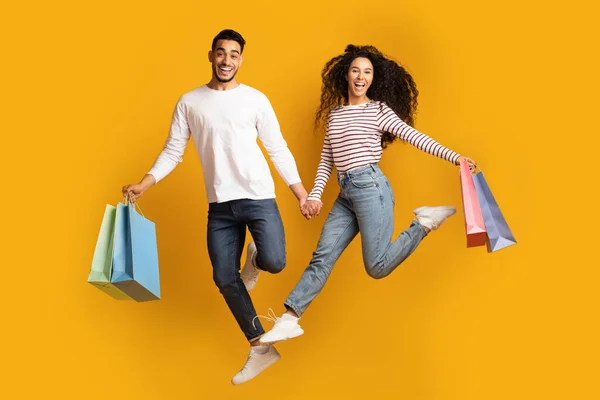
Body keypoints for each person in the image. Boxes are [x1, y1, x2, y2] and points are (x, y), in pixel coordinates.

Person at [122, 29, 311, 385]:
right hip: (220, 207)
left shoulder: (255, 99)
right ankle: (259, 348)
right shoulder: (190, 102)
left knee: (276, 261)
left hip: (258, 197)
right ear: (210, 55)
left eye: (234, 54)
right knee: (224, 277)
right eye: (221, 53)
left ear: (241, 59)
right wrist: (144, 183)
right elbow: (173, 151)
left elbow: (278, 148)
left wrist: (301, 193)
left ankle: (255, 258)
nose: (227, 60)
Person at [258, 44, 477, 344]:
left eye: (367, 72)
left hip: (371, 188)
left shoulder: (378, 110)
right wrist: (315, 196)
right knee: (322, 257)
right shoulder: (335, 115)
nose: (361, 77)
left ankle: (423, 223)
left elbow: (414, 137)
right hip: (346, 192)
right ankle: (289, 318)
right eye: (356, 70)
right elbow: (326, 160)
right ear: (346, 75)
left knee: (376, 267)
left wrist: (455, 157)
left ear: (374, 79)